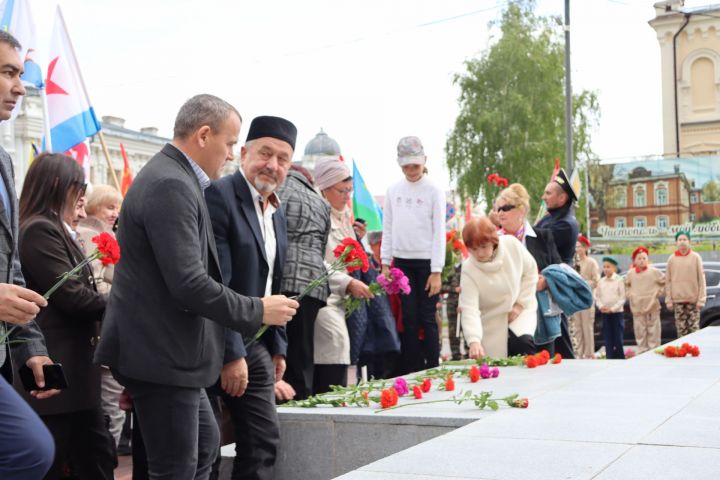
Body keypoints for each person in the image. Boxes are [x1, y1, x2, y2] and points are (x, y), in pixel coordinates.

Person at [94, 94, 298, 479]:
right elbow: (188, 282)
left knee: (204, 450)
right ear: (205, 135)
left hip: (172, 353)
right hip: (160, 353)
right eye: (231, 143)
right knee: (177, 468)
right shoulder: (171, 183)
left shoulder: (178, 178)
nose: (231, 154)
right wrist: (258, 310)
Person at [205, 115, 296, 479]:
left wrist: (278, 347)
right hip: (215, 339)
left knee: (262, 441)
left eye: (283, 159)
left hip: (257, 340)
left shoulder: (275, 210)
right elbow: (217, 282)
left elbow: (276, 283)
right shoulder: (219, 197)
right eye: (265, 153)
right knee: (204, 447)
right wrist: (231, 353)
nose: (272, 165)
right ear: (243, 153)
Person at [18, 153, 115, 479]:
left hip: (75, 370)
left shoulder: (55, 228)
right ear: (59, 185)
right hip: (54, 367)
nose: (83, 197)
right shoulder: (39, 230)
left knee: (95, 455)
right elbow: (71, 295)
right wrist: (125, 302)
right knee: (58, 456)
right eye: (79, 187)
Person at [0, 30, 55, 480]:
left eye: (20, 74)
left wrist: (30, 348)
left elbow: (10, 265)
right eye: (7, 72)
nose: (20, 87)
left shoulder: (4, 160)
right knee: (29, 450)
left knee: (33, 452)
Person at [381, 136, 445, 374]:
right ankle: (412, 369)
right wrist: (386, 263)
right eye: (406, 166)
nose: (411, 170)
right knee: (408, 317)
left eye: (415, 166)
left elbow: (439, 231)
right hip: (402, 262)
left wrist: (437, 270)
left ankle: (433, 367)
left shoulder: (434, 190)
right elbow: (388, 227)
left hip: (427, 263)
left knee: (427, 316)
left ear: (424, 161)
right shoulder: (393, 191)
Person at [313, 156, 373, 393]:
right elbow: (317, 262)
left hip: (343, 300)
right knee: (335, 344)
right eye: (342, 190)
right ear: (325, 188)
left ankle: (334, 399)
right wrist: (347, 282)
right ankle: (326, 401)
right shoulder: (318, 215)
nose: (347, 196)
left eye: (350, 190)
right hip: (324, 298)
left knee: (342, 349)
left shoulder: (343, 215)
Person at [275, 163, 331, 400]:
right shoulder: (320, 201)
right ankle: (303, 398)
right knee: (304, 350)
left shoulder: (280, 191)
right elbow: (322, 245)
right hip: (314, 285)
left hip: (286, 280)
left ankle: (283, 399)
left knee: (281, 348)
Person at [76, 184, 125, 448]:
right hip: (102, 329)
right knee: (109, 410)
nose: (115, 213)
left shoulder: (106, 233)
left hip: (107, 328)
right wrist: (123, 295)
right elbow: (94, 284)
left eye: (117, 207)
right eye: (109, 206)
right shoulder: (88, 234)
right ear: (93, 205)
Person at [458, 217, 539, 358]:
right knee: (496, 366)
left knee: (522, 345)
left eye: (484, 246)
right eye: (474, 249)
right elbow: (470, 308)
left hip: (521, 309)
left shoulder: (511, 245)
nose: (480, 254)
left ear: (493, 241)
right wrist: (474, 341)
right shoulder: (468, 268)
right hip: (491, 320)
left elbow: (531, 272)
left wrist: (520, 304)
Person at [494, 183, 561, 352]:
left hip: (541, 313)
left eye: (506, 208)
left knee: (545, 368)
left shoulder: (543, 237)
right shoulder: (492, 241)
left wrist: (546, 281)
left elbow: (559, 269)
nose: (500, 213)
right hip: (507, 313)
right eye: (498, 209)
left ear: (521, 210)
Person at [536, 169, 580, 358]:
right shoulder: (551, 217)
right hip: (548, 280)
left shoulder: (565, 224)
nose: (543, 197)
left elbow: (536, 242)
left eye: (548, 193)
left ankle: (569, 367)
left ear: (562, 198)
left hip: (555, 282)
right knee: (554, 330)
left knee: (558, 331)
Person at [665, 230, 706, 338]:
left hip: (694, 301)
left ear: (689, 242)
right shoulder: (671, 259)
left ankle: (695, 352)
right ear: (676, 243)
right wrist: (668, 300)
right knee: (681, 331)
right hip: (678, 302)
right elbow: (668, 281)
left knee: (694, 330)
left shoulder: (696, 257)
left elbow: (702, 280)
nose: (682, 242)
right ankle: (682, 353)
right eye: (680, 240)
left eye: (685, 239)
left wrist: (701, 299)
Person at [625, 246, 665, 353]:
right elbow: (626, 285)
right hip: (637, 307)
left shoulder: (654, 272)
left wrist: (658, 293)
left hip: (652, 305)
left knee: (654, 330)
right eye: (639, 258)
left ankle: (654, 350)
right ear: (635, 260)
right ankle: (642, 351)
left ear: (647, 259)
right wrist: (630, 295)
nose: (642, 261)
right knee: (640, 331)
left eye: (644, 258)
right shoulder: (631, 273)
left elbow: (665, 283)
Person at [571, 235, 600, 358]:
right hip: (575, 299)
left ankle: (589, 354)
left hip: (587, 298)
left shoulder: (591, 262)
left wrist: (583, 283)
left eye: (579, 246)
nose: (577, 249)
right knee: (576, 326)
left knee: (587, 326)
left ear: (585, 248)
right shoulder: (572, 263)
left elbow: (596, 280)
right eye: (576, 246)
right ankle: (579, 353)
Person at [595, 256, 625, 359]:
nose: (606, 269)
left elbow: (622, 298)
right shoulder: (601, 281)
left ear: (614, 268)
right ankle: (610, 357)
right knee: (608, 337)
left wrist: (613, 309)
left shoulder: (619, 280)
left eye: (608, 266)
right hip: (605, 313)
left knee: (618, 337)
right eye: (604, 267)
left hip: (616, 313)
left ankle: (620, 358)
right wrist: (601, 306)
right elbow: (597, 296)